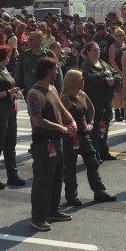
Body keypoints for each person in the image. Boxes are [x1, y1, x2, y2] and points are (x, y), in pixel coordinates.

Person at [27, 57, 76, 232]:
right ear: (48, 71)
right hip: (43, 144)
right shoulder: (34, 93)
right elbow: (38, 121)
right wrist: (62, 128)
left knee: (56, 178)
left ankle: (52, 211)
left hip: (56, 141)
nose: (57, 72)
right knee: (42, 182)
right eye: (55, 69)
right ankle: (38, 218)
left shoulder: (53, 88)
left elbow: (61, 109)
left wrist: (71, 121)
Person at [60, 69, 116, 206]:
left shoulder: (82, 94)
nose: (83, 82)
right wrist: (64, 128)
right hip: (70, 137)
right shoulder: (64, 99)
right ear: (73, 82)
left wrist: (90, 123)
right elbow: (57, 116)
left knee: (93, 162)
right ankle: (71, 196)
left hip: (84, 135)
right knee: (70, 167)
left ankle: (99, 191)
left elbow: (91, 109)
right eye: (81, 80)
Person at [0, 45, 26, 190]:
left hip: (9, 111)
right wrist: (8, 92)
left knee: (10, 144)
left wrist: (15, 94)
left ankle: (12, 174)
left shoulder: (4, 70)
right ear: (7, 56)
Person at [80, 42, 120, 161]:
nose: (97, 52)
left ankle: (104, 152)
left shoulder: (103, 63)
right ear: (88, 52)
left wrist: (113, 79)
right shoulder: (86, 65)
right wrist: (103, 77)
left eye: (98, 49)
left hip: (106, 101)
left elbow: (116, 74)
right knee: (94, 128)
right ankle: (94, 154)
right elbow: (87, 79)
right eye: (94, 50)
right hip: (94, 101)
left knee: (104, 127)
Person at [108, 27, 126, 122]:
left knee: (124, 93)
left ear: (124, 36)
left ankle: (123, 111)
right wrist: (120, 72)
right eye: (117, 35)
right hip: (117, 72)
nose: (119, 37)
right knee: (117, 94)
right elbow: (112, 61)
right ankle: (117, 113)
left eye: (120, 35)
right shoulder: (113, 46)